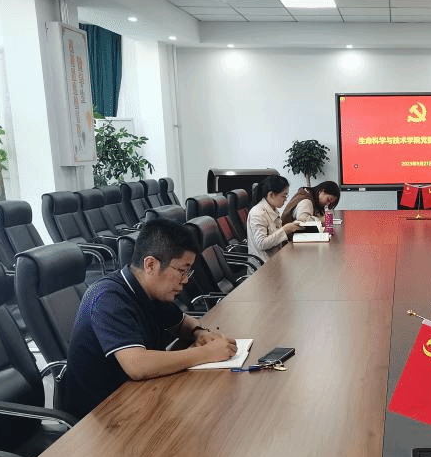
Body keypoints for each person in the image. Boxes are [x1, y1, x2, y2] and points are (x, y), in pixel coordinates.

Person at [61, 219, 237, 420]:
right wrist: (206, 353)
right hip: (98, 416)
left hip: (137, 397)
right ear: (151, 264)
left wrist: (199, 333)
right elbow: (137, 365)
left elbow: (183, 322)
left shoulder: (149, 289)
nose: (186, 279)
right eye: (182, 270)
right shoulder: (107, 297)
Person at [247, 174, 301, 262]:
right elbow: (261, 244)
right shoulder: (257, 213)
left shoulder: (273, 209)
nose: (285, 199)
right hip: (264, 264)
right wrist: (285, 230)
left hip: (277, 257)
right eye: (283, 196)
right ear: (271, 194)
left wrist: (291, 228)